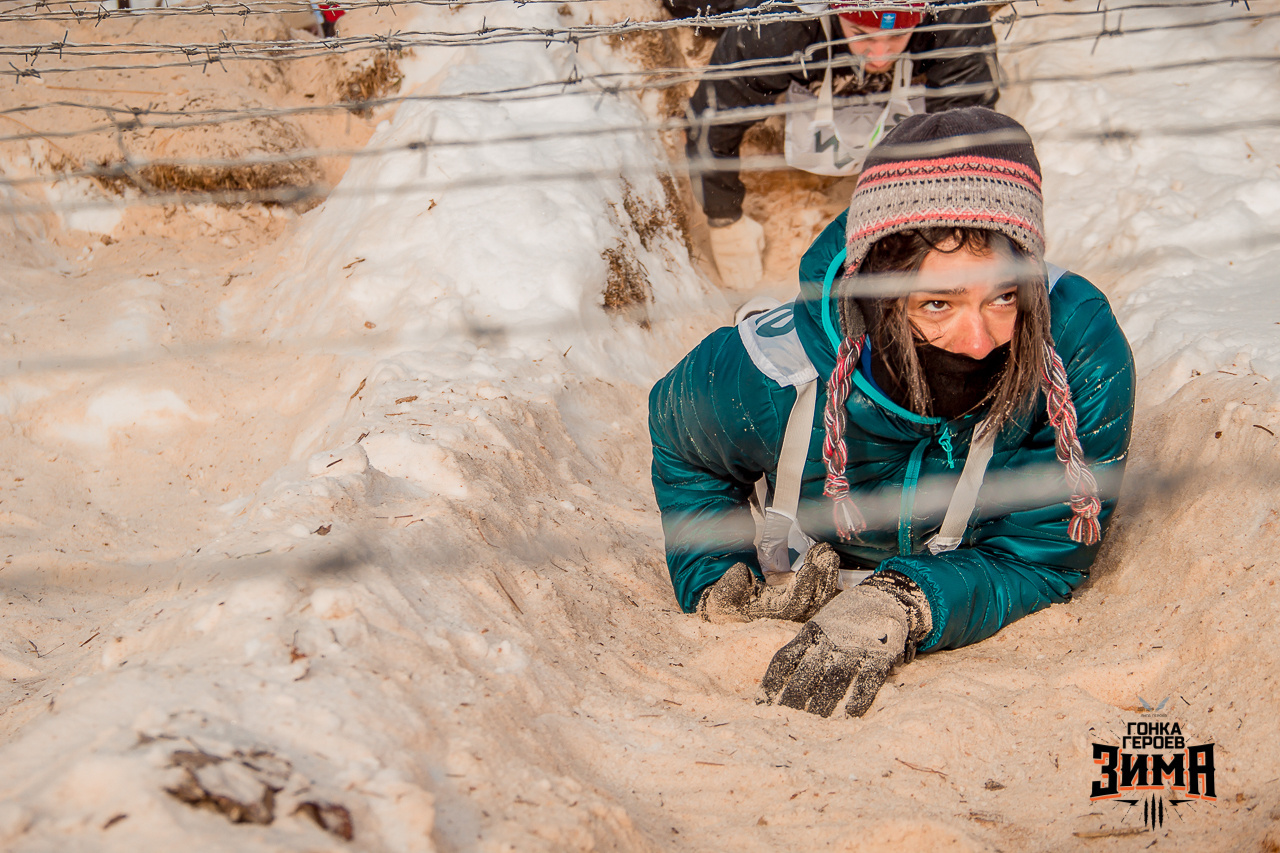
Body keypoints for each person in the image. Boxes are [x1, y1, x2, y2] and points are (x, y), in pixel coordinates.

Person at [649, 107, 1136, 718]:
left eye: (1005, 296)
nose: (980, 341)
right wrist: (715, 573)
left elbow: (1042, 555)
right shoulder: (774, 370)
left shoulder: (1078, 355)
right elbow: (680, 444)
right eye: (937, 304)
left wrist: (906, 600)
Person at [686, 1, 1000, 287]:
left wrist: (944, 219)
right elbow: (713, 118)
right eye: (862, 34)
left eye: (895, 36)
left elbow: (966, 124)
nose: (880, 56)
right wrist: (723, 217)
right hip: (807, 39)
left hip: (920, 48)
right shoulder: (779, 25)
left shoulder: (954, 15)